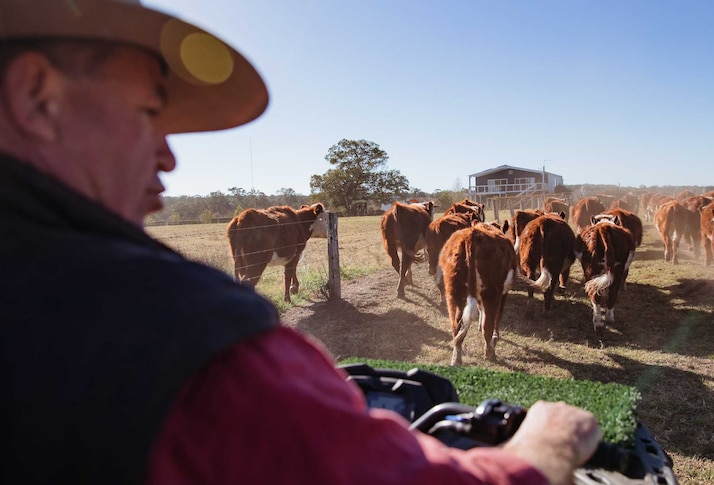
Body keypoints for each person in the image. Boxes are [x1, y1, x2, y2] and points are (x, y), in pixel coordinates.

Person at [0, 1, 601, 484]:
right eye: (147, 113)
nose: (168, 154)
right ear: (36, 97)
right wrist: (538, 452)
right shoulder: (181, 336)